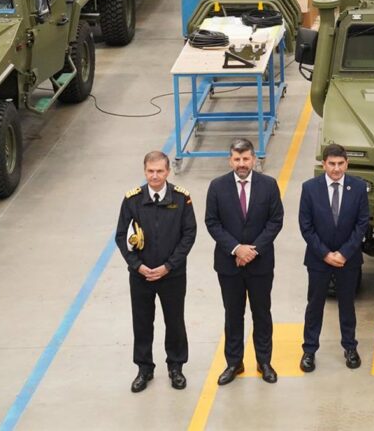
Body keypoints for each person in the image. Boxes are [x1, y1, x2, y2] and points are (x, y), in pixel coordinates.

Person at [115, 150, 197, 393]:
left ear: (168, 172)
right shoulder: (132, 200)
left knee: (175, 321)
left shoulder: (181, 199)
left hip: (172, 275)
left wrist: (168, 266)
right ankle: (144, 369)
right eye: (150, 171)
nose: (155, 176)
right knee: (142, 322)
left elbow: (189, 234)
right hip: (141, 276)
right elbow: (121, 236)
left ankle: (176, 367)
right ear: (144, 171)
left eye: (160, 171)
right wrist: (137, 266)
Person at [204, 138, 284, 386]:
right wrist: (237, 249)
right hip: (229, 265)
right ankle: (234, 363)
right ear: (230, 160)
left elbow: (275, 221)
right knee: (233, 314)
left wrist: (253, 251)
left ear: (253, 159)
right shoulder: (217, 187)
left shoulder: (268, 185)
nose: (241, 163)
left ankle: (264, 362)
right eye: (237, 159)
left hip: (260, 264)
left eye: (246, 158)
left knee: (262, 314)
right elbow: (212, 222)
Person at [298, 143, 370, 372]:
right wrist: (325, 254)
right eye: (332, 164)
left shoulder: (358, 187)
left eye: (340, 164)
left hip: (348, 260)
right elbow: (306, 226)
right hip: (318, 259)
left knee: (347, 305)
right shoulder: (310, 188)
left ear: (347, 164)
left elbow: (362, 224)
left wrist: (344, 253)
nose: (336, 168)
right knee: (315, 305)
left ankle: (350, 347)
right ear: (324, 164)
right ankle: (309, 350)